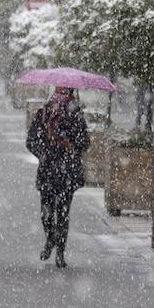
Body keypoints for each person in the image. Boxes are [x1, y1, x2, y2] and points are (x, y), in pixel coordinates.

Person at [26, 87, 89, 269]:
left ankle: (58, 249)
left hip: (63, 170)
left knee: (56, 212)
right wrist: (45, 152)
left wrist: (68, 143)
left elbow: (84, 142)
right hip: (53, 169)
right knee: (56, 213)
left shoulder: (75, 115)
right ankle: (53, 241)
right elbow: (32, 140)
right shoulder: (45, 113)